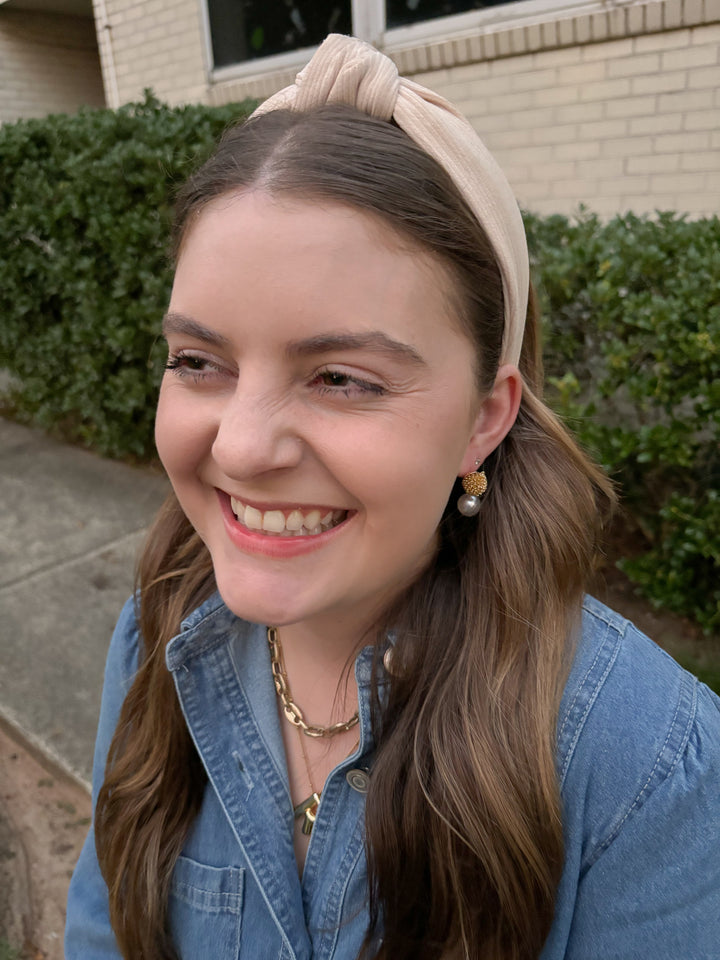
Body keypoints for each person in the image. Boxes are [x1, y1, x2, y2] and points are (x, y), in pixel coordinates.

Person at [65, 34, 720, 960]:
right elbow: (104, 931)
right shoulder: (152, 642)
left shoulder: (646, 771)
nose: (241, 447)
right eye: (198, 362)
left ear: (484, 419)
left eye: (341, 378)